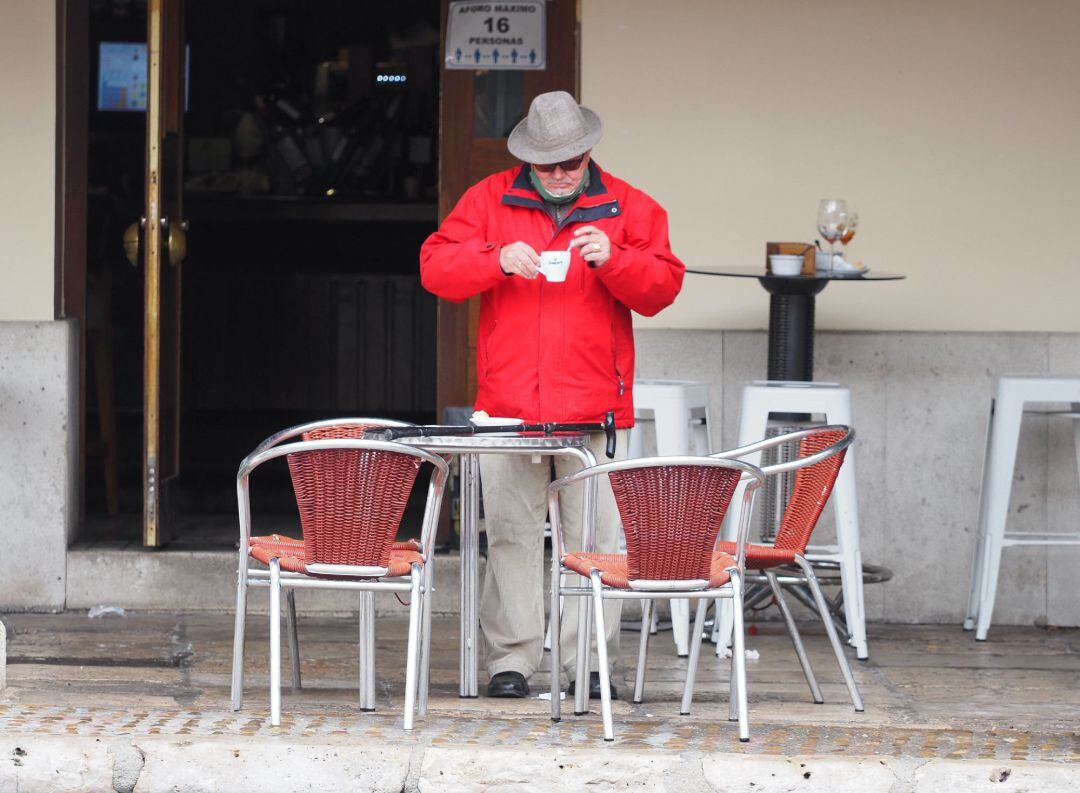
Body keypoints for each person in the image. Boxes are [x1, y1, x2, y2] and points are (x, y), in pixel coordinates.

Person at [420, 91, 685, 699]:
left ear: (588, 150)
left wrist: (615, 258)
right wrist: (495, 257)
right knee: (511, 535)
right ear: (527, 160)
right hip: (508, 408)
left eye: (571, 161)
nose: (561, 173)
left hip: (594, 411)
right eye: (548, 164)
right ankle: (510, 663)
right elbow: (436, 267)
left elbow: (663, 287)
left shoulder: (631, 206)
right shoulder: (489, 199)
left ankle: (586, 667)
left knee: (596, 544)